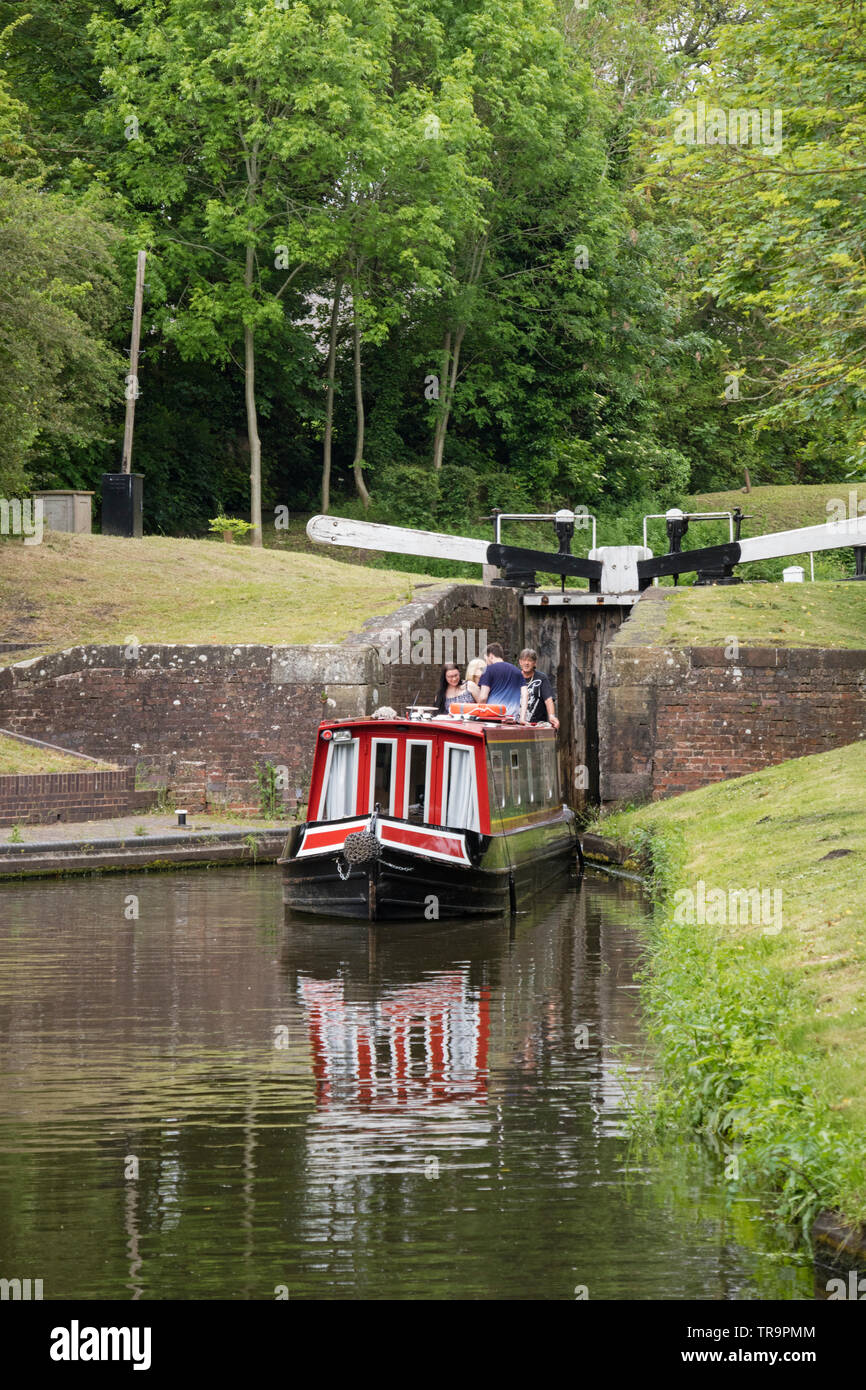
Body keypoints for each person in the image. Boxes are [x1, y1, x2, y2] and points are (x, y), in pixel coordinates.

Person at [474, 642, 525, 718]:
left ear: (491, 656)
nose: (486, 663)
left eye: (486, 659)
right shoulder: (517, 672)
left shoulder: (488, 670)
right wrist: (522, 718)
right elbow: (525, 695)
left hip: (493, 718)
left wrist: (478, 714)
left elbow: (483, 697)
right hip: (512, 719)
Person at [518, 648, 559, 729]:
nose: (526, 663)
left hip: (537, 725)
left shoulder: (541, 678)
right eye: (524, 660)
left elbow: (548, 699)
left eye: (529, 660)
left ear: (534, 663)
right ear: (520, 662)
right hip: (517, 724)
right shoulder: (515, 677)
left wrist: (552, 716)